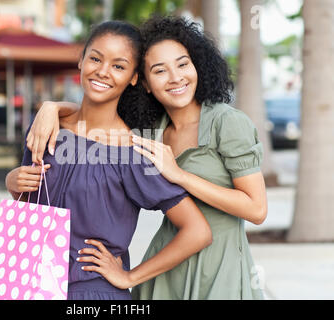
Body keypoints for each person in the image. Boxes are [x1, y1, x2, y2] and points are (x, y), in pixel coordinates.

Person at [25, 15, 267, 300]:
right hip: (165, 268)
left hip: (218, 264)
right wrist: (51, 108)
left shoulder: (226, 123)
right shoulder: (149, 131)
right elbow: (96, 121)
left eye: (182, 64)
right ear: (145, 83)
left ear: (197, 66)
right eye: (159, 70)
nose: (175, 77)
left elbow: (257, 210)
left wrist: (180, 175)